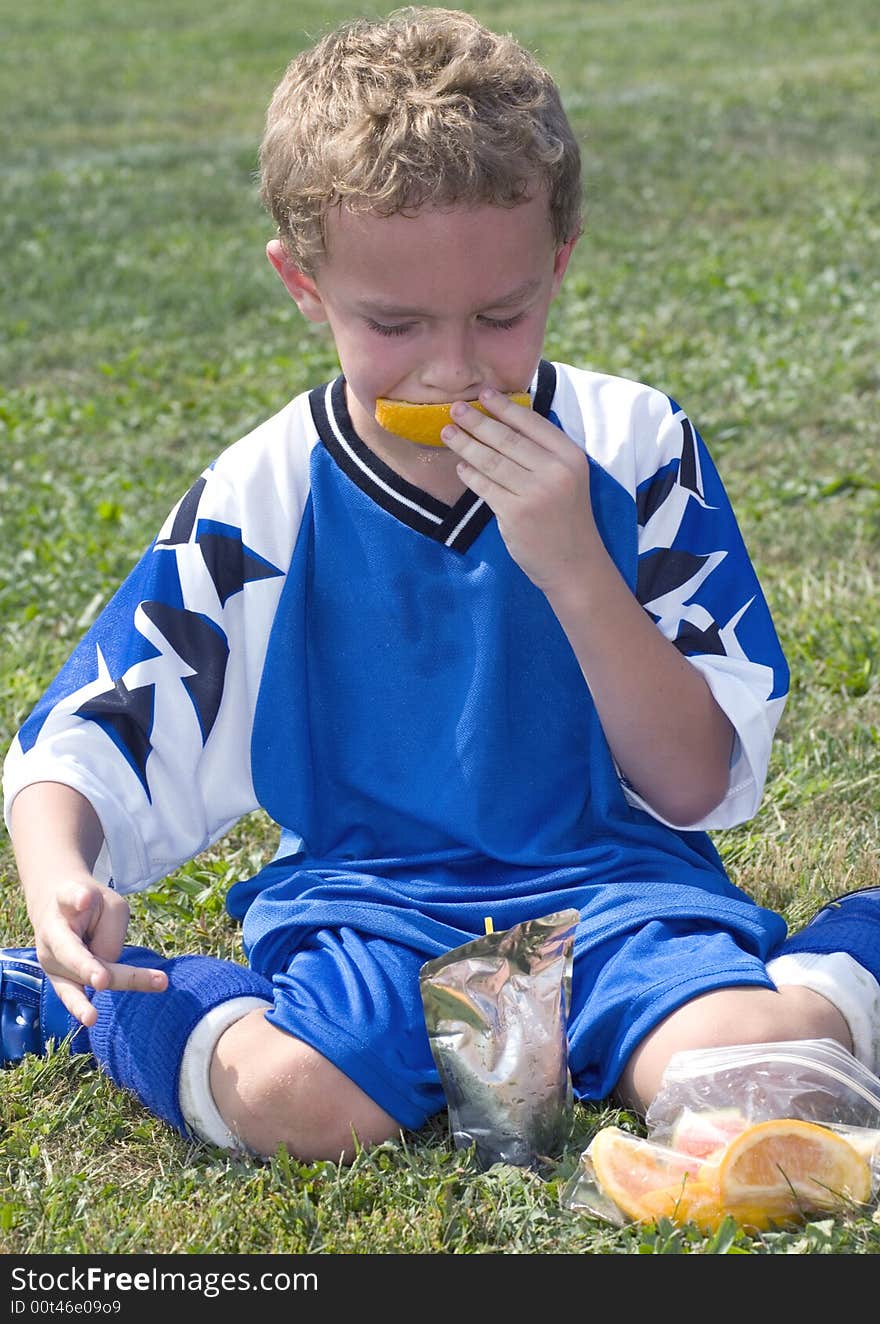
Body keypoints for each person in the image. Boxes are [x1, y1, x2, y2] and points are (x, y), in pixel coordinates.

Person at [3, 6, 879, 1165]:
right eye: (395, 322)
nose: (454, 366)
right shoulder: (267, 489)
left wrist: (573, 561)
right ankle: (90, 1001)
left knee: (756, 1081)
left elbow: (692, 777)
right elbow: (94, 729)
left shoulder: (632, 446)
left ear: (558, 262)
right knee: (295, 1105)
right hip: (367, 904)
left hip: (618, 887)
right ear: (303, 285)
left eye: (501, 315)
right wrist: (60, 871)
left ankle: (846, 952)